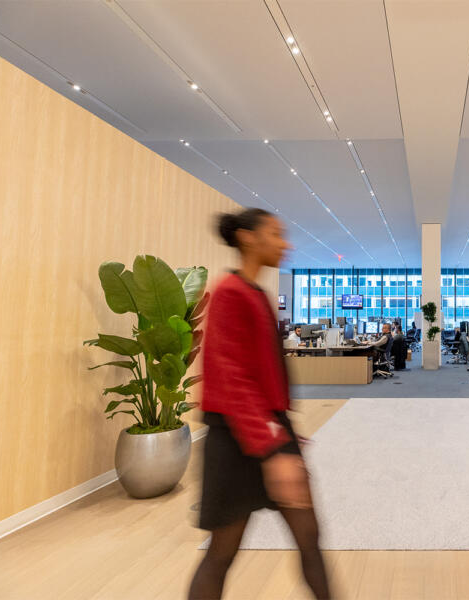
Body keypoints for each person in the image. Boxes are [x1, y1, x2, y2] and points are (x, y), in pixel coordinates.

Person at [189, 208, 330, 600]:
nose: (285, 243)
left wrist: (285, 433)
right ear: (249, 238)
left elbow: (259, 375)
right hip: (238, 438)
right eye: (275, 233)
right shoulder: (229, 292)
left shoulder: (255, 292)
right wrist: (273, 448)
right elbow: (232, 378)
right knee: (222, 551)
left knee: (309, 537)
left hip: (267, 427)